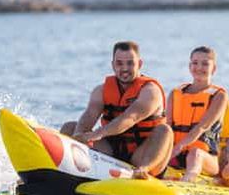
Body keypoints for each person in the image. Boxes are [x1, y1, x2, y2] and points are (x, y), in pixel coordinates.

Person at [61, 41, 173, 178]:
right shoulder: (101, 91)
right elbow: (89, 115)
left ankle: (143, 172)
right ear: (113, 65)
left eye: (130, 63)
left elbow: (130, 118)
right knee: (70, 128)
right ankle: (64, 172)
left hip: (142, 155)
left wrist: (97, 134)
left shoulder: (150, 91)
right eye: (119, 63)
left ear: (140, 64)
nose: (125, 68)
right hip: (112, 154)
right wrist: (78, 135)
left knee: (165, 131)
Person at [165, 46, 228, 182]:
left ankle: (187, 181)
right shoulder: (175, 93)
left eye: (205, 64)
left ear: (214, 68)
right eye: (195, 63)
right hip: (175, 155)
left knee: (195, 154)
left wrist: (179, 147)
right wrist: (164, 151)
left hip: (205, 158)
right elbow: (168, 126)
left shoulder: (219, 96)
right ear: (189, 66)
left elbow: (203, 126)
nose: (199, 67)